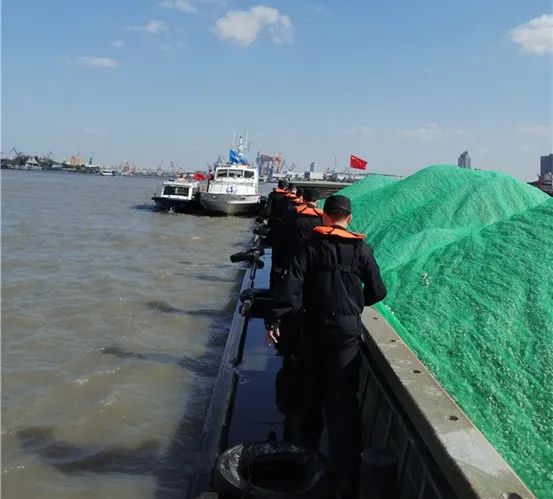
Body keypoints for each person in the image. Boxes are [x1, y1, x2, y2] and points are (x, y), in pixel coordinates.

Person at [265, 194, 387, 499]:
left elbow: (289, 288)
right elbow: (378, 291)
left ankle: (306, 459)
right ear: (349, 218)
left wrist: (274, 321)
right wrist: (355, 305)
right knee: (343, 403)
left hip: (314, 330)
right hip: (346, 336)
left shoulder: (311, 246)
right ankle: (344, 478)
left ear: (325, 215)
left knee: (311, 392)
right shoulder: (361, 250)